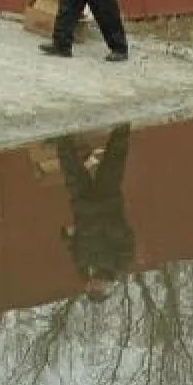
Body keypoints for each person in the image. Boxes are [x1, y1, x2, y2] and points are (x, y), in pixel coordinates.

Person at [55, 124, 135, 301]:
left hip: (83, 208)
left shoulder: (82, 267)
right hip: (106, 204)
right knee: (112, 164)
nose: (94, 285)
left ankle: (61, 138)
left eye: (91, 289)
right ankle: (122, 128)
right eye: (98, 289)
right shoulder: (120, 263)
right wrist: (101, 225)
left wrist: (67, 237)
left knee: (72, 173)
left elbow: (74, 248)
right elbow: (124, 235)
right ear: (107, 288)